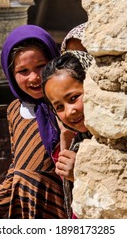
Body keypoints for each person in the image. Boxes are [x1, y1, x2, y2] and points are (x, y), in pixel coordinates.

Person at [0, 25, 67, 219]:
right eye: (23, 71)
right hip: (25, 207)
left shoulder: (65, 108)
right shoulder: (15, 111)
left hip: (58, 206)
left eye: (41, 66)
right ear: (11, 74)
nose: (34, 77)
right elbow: (18, 164)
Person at [41, 50, 95, 218]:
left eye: (73, 98)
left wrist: (81, 173)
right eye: (59, 107)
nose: (69, 111)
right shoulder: (78, 144)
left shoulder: (119, 142)